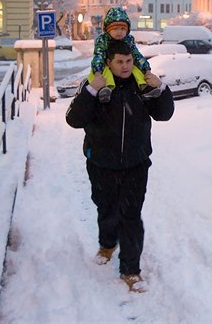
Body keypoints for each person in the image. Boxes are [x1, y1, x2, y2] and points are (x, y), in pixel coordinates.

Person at [65, 39, 175, 293]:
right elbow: (74, 119)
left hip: (136, 165)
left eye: (128, 61)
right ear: (109, 63)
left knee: (130, 216)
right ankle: (107, 242)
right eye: (119, 62)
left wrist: (162, 88)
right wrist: (91, 91)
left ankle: (131, 269)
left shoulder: (141, 85)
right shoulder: (94, 84)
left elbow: (164, 114)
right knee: (106, 209)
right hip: (101, 163)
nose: (125, 66)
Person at [88, 7, 159, 104]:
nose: (119, 32)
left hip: (121, 67)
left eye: (122, 29)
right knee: (104, 73)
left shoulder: (128, 39)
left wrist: (146, 69)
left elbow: (136, 55)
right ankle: (104, 89)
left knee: (135, 69)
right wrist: (97, 71)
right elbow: (98, 55)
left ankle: (144, 87)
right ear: (108, 30)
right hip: (106, 64)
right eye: (115, 29)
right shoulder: (103, 40)